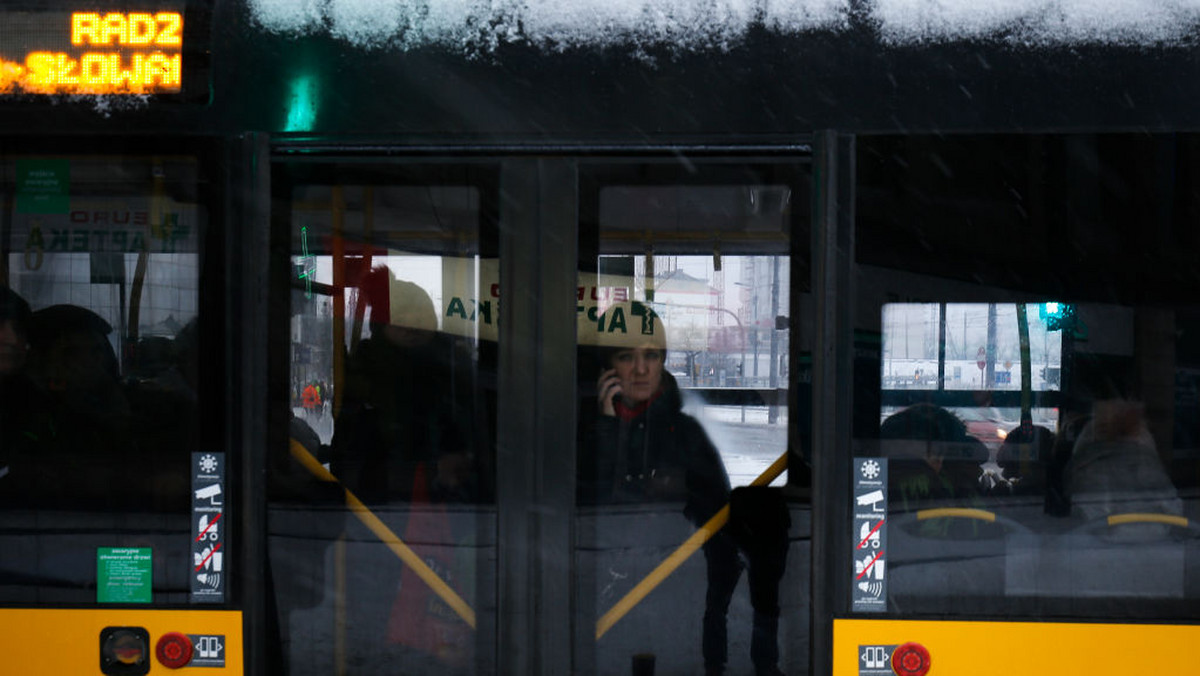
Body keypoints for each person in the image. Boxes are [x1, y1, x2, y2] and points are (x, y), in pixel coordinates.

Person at [579, 301, 785, 676]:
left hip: (676, 593)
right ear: (607, 367)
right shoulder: (583, 429)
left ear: (663, 362)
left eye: (652, 356)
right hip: (602, 590)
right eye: (627, 356)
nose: (641, 369)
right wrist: (607, 429)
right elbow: (582, 505)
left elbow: (719, 518)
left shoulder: (686, 434)